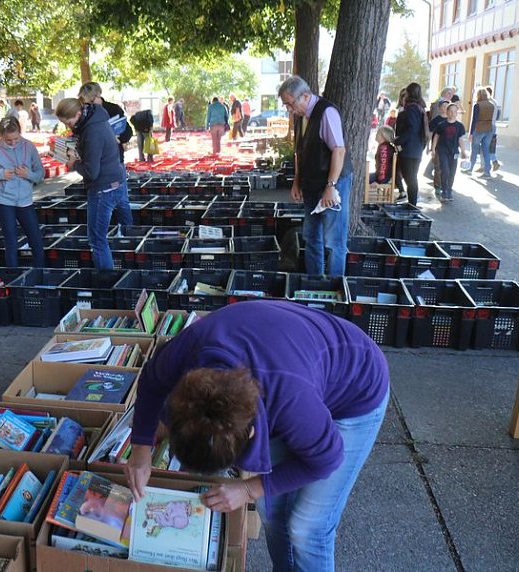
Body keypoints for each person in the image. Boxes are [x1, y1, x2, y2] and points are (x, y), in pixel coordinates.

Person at [125, 301, 389, 572]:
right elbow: (152, 380)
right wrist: (141, 450)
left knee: (308, 527)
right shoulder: (188, 349)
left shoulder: (290, 400)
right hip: (294, 362)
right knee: (272, 510)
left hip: (358, 388)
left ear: (252, 431)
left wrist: (248, 488)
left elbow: (326, 460)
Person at [278, 74, 353, 277]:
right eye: (286, 105)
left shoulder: (327, 112)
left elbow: (339, 150)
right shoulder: (302, 117)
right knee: (312, 236)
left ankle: (335, 283)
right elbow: (300, 151)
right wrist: (296, 182)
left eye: (290, 104)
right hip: (312, 183)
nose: (289, 109)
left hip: (332, 183)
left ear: (304, 96)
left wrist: (331, 186)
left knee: (334, 240)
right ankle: (315, 280)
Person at [55, 97, 130, 271]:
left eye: (69, 122)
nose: (68, 126)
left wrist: (73, 163)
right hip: (116, 181)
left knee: (97, 240)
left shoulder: (91, 132)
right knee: (111, 234)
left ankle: (106, 279)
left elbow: (91, 172)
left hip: (103, 189)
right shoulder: (97, 119)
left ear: (79, 113)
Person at [0, 116, 45, 267]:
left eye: (16, 139)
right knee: (11, 241)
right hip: (4, 200)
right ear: (2, 136)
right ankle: (13, 276)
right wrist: (0, 174)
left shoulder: (29, 146)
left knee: (36, 239)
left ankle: (40, 273)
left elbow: (41, 173)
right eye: (9, 140)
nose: (14, 143)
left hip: (25, 200)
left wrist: (28, 175)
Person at [78, 82, 134, 164]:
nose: (90, 105)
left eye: (92, 100)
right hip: (93, 157)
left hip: (114, 156)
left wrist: (117, 139)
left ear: (98, 95)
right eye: (86, 102)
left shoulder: (113, 109)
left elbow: (128, 132)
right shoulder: (85, 111)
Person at [394, 82, 428, 206]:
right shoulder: (420, 107)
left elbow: (411, 129)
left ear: (409, 93)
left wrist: (398, 141)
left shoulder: (412, 108)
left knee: (410, 178)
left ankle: (412, 204)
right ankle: (412, 202)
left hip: (409, 149)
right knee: (412, 177)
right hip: (417, 147)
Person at [431, 102, 468, 204]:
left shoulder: (459, 126)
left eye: (455, 112)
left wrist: (464, 151)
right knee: (445, 170)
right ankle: (444, 191)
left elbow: (460, 139)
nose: (452, 113)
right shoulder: (441, 125)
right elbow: (436, 137)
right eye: (450, 111)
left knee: (452, 172)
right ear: (447, 112)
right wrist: (433, 149)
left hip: (454, 152)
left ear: (457, 113)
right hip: (442, 151)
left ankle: (449, 191)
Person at [467, 87, 496, 179]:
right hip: (489, 128)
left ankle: (469, 169)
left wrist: (470, 133)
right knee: (486, 150)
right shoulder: (491, 105)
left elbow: (474, 119)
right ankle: (487, 172)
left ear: (478, 95)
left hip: (479, 128)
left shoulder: (477, 105)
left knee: (474, 150)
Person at [427, 100, 450, 196]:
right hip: (437, 147)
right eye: (443, 106)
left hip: (449, 148)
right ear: (440, 108)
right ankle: (437, 186)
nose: (445, 108)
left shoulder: (451, 120)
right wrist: (428, 147)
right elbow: (430, 133)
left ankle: (446, 185)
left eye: (447, 106)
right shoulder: (435, 120)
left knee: (447, 168)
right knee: (438, 167)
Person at [485, 86, 502, 172]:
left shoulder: (488, 102)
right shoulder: (495, 102)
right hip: (493, 125)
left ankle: (494, 163)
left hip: (487, 126)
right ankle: (489, 164)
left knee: (486, 146)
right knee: (491, 146)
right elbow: (498, 115)